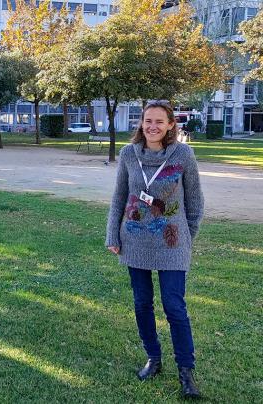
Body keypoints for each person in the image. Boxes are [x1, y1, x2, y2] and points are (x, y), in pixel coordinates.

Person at [106, 100, 204, 399]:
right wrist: (113, 234)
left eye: (159, 121)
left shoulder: (183, 155)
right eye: (148, 120)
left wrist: (187, 235)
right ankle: (154, 358)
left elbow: (195, 201)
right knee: (141, 303)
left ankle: (186, 370)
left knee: (174, 306)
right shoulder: (128, 154)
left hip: (172, 243)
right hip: (134, 240)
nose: (152, 126)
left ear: (171, 124)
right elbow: (119, 197)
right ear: (141, 123)